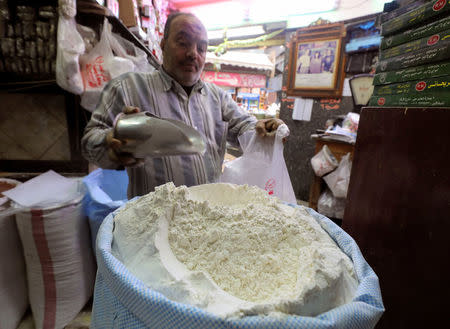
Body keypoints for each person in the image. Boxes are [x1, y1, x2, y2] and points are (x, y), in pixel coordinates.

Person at [81, 12, 285, 198]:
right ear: (162, 44)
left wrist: (264, 129)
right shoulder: (127, 88)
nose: (193, 53)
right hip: (153, 222)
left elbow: (245, 127)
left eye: (201, 48)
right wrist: (111, 143)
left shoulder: (218, 97)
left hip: (208, 217)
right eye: (183, 42)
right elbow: (89, 143)